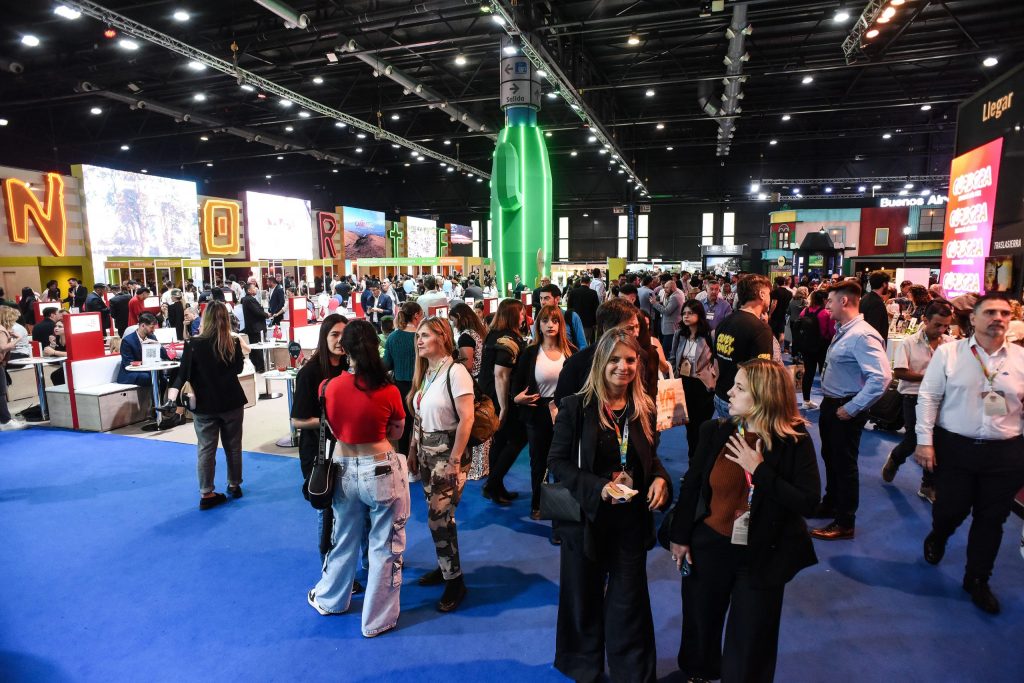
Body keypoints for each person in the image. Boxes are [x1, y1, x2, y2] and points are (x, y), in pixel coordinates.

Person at [668, 358, 820, 683]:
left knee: (752, 640)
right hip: (710, 544)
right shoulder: (715, 431)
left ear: (764, 396)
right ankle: (698, 674)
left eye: (739, 387)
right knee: (700, 623)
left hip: (763, 553)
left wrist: (760, 470)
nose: (729, 392)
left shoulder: (794, 441)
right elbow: (692, 486)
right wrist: (680, 536)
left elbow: (808, 502)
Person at [548, 329, 672, 682]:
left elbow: (650, 459)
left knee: (629, 601)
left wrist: (661, 479)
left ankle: (632, 672)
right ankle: (583, 665)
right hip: (586, 518)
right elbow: (558, 462)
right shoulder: (575, 407)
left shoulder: (644, 409)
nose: (623, 367)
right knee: (582, 598)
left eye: (630, 360)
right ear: (601, 362)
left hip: (629, 521)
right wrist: (598, 488)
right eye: (615, 360)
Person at [914, 294, 1024, 614]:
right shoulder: (949, 353)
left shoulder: (1020, 358)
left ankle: (977, 579)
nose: (998, 318)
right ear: (973, 318)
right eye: (990, 312)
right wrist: (924, 441)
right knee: (951, 509)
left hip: (1005, 453)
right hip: (956, 448)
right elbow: (929, 397)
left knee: (992, 520)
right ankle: (939, 535)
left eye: (1004, 313)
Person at [307, 320, 409, 636]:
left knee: (343, 537)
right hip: (380, 467)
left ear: (346, 349)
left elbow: (331, 427)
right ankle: (377, 620)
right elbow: (397, 431)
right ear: (375, 347)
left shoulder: (328, 387)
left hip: (343, 468)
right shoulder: (389, 390)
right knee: (384, 544)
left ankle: (331, 599)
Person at [810, 280, 891, 541]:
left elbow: (881, 378)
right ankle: (831, 504)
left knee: (844, 464)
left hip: (845, 406)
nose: (827, 306)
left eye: (830, 301)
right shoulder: (844, 330)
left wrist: (852, 408)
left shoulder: (862, 335)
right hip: (832, 403)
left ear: (843, 301)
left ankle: (845, 522)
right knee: (831, 458)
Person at [407, 316, 475, 612]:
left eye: (425, 335)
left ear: (443, 337)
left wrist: (455, 461)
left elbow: (467, 419)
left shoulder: (456, 372)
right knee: (442, 518)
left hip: (448, 455)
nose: (419, 340)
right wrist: (412, 449)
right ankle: (446, 566)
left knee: (438, 518)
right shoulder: (428, 372)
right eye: (418, 336)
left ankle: (455, 581)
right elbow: (419, 414)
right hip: (426, 454)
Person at [164, 304, 246, 509]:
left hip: (204, 405)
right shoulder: (233, 342)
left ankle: (206, 492)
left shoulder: (193, 344)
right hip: (232, 401)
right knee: (233, 446)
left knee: (206, 449)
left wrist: (171, 399)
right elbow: (238, 369)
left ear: (205, 319)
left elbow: (183, 374)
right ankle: (234, 484)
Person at [880, 300, 954, 503]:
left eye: (946, 326)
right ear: (925, 320)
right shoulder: (909, 343)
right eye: (937, 325)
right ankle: (896, 457)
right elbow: (900, 372)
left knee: (936, 441)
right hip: (913, 397)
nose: (942, 330)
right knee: (914, 439)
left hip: (941, 399)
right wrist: (931, 377)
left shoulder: (950, 344)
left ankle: (928, 485)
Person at [290, 314, 350, 562]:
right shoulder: (310, 373)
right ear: (324, 337)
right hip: (319, 453)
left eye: (344, 335)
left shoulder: (352, 368)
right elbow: (298, 420)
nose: (340, 340)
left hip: (348, 450)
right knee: (327, 513)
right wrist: (333, 422)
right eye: (334, 334)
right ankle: (329, 568)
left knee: (349, 512)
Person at [513, 304, 574, 518]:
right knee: (538, 461)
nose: (550, 325)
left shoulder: (571, 352)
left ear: (561, 324)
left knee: (564, 461)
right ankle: (538, 504)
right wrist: (516, 398)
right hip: (537, 411)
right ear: (538, 324)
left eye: (555, 321)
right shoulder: (530, 352)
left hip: (565, 413)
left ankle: (561, 507)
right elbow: (517, 382)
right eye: (545, 320)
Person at [478, 299, 528, 505]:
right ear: (513, 315)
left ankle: (496, 486)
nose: (524, 316)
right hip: (501, 396)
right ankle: (492, 484)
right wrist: (505, 406)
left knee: (500, 440)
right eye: (522, 313)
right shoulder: (508, 338)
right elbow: (501, 375)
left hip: (492, 393)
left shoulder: (494, 334)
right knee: (517, 439)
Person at [554, 298, 641, 406]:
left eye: (637, 326)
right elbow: (562, 403)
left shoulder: (641, 357)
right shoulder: (577, 363)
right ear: (607, 328)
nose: (636, 333)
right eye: (630, 328)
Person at [712, 275, 774, 419]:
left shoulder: (725, 322)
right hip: (743, 404)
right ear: (762, 294)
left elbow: (716, 363)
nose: (770, 299)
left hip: (721, 397)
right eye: (769, 294)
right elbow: (762, 375)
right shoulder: (760, 329)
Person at [669, 300, 718, 460]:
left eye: (690, 313)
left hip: (703, 386)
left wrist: (713, 376)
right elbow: (673, 356)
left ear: (699, 315)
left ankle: (700, 460)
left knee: (702, 427)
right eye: (684, 313)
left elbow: (716, 360)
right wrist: (674, 376)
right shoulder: (679, 334)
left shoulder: (709, 335)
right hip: (684, 385)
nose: (686, 316)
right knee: (690, 427)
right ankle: (693, 461)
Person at [449, 302, 490, 481]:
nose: (452, 324)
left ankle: (475, 468)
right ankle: (483, 466)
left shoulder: (466, 337)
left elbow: (468, 364)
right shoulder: (479, 332)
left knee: (473, 426)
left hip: (472, 383)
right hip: (483, 381)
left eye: (453, 320)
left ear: (459, 318)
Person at [383, 302, 422, 458]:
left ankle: (404, 460)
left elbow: (386, 364)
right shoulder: (422, 336)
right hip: (421, 386)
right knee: (421, 424)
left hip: (400, 388)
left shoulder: (392, 338)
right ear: (416, 315)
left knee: (404, 427)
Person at [795, 289, 833, 409]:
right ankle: (826, 401)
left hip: (807, 346)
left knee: (808, 372)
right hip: (823, 346)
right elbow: (831, 332)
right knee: (824, 374)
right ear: (824, 300)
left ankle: (806, 401)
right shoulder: (826, 313)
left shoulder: (804, 311)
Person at [117, 313, 171, 388]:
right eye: (152, 327)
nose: (154, 330)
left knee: (163, 379)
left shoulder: (152, 337)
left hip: (148, 371)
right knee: (149, 378)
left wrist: (158, 345)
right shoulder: (127, 341)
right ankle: (152, 396)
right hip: (130, 373)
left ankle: (159, 396)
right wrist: (145, 365)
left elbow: (165, 356)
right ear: (143, 326)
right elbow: (128, 363)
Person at [0, 307, 28, 431]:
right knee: (1, 393)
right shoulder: (1, 330)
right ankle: (5, 421)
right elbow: (3, 347)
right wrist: (17, 339)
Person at [538, 283, 587, 350]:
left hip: (570, 355)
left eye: (546, 298)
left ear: (557, 299)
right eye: (541, 298)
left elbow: (583, 345)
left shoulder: (571, 317)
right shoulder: (539, 319)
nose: (542, 302)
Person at [240, 282, 269, 373]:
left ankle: (257, 366)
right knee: (258, 348)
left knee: (254, 348)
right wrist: (266, 315)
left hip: (252, 328)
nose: (255, 289)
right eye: (253, 288)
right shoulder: (250, 300)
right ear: (249, 290)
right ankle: (260, 367)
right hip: (256, 328)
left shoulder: (246, 299)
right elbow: (258, 312)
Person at [651, 277, 685, 351]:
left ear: (672, 288)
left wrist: (655, 303)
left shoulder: (675, 297)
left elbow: (667, 311)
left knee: (666, 350)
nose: (664, 290)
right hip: (670, 328)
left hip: (671, 329)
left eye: (666, 288)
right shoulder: (673, 295)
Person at [859, 270, 891, 343]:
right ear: (884, 284)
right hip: (873, 344)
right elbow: (874, 328)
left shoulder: (865, 298)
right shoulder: (877, 302)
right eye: (887, 283)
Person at [567, 275, 601, 344]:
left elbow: (569, 307)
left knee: (575, 341)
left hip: (575, 321)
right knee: (586, 341)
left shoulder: (573, 292)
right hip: (588, 323)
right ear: (589, 282)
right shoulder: (593, 293)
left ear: (580, 282)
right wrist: (595, 323)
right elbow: (596, 309)